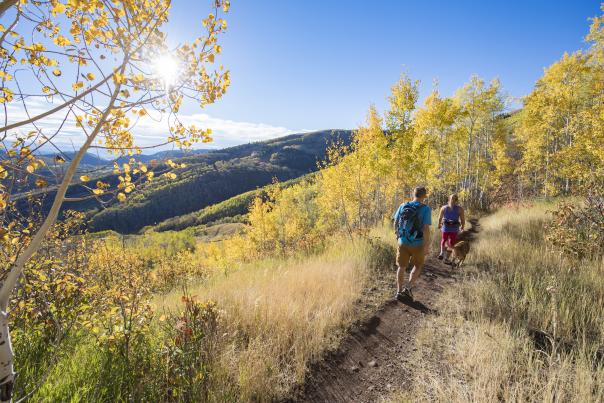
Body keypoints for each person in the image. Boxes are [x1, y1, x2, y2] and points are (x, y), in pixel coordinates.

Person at [392, 186, 432, 301]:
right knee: (418, 265)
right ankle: (408, 288)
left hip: (402, 241)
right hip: (418, 243)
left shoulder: (403, 205)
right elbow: (425, 228)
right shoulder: (425, 209)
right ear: (424, 196)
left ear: (413, 194)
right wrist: (426, 245)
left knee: (401, 266)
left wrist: (398, 236)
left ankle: (399, 291)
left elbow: (395, 221)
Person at [437, 193, 465, 263]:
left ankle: (443, 255)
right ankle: (444, 255)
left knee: (446, 241)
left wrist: (439, 224)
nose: (453, 200)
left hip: (450, 227)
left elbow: (440, 218)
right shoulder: (459, 209)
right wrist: (462, 226)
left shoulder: (445, 208)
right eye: (453, 198)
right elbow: (462, 220)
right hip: (450, 227)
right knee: (449, 242)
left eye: (454, 198)